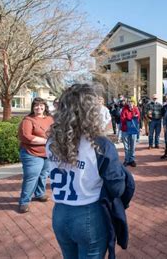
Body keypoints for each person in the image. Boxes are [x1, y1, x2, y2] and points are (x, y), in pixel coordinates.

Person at [46, 83, 129, 258]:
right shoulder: (100, 144)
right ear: (91, 111)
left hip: (59, 213)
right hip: (89, 213)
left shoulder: (52, 141)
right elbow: (117, 188)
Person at [17, 97, 54, 213]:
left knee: (43, 175)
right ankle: (24, 202)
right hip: (32, 153)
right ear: (33, 107)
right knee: (31, 177)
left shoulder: (50, 119)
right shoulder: (28, 120)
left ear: (45, 106)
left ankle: (39, 194)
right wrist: (46, 141)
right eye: (36, 105)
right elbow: (26, 137)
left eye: (41, 105)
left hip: (47, 153)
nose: (39, 107)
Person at [120, 97, 140, 167]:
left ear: (134, 103)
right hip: (125, 129)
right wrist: (131, 118)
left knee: (132, 145)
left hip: (133, 130)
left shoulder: (136, 109)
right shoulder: (124, 109)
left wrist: (134, 117)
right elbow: (122, 118)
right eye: (129, 102)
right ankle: (126, 160)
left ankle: (132, 160)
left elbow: (138, 118)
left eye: (132, 102)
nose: (130, 103)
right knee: (126, 146)